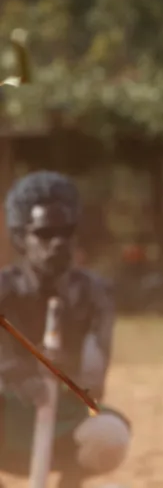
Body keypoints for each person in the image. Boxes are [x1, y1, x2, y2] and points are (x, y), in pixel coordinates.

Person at [0, 171, 131, 488]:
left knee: (110, 433)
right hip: (7, 420)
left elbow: (94, 380)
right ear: (20, 238)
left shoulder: (94, 295)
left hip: (62, 421)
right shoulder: (4, 289)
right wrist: (18, 372)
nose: (57, 243)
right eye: (44, 234)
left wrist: (67, 369)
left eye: (66, 232)